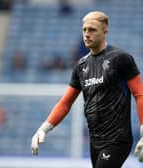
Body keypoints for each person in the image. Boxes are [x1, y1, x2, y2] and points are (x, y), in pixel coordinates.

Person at [31, 11, 143, 168]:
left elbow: (139, 94)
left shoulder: (120, 58)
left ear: (105, 32)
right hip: (95, 141)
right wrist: (44, 128)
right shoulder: (80, 66)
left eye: (92, 30)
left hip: (117, 139)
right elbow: (65, 102)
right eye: (84, 30)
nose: (87, 34)